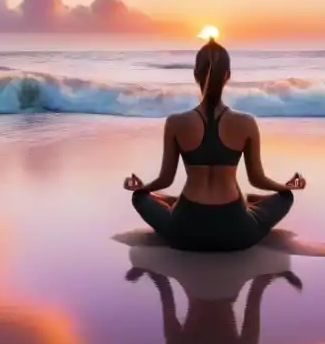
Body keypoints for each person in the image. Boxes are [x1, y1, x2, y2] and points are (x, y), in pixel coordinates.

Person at [124, 39, 307, 252]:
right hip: (237, 232)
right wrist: (287, 187)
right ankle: (253, 204)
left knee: (139, 198)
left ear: (195, 75)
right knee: (286, 197)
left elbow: (166, 179)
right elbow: (257, 179)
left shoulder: (175, 122)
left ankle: (171, 202)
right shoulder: (246, 123)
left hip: (184, 231)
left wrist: (141, 188)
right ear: (228, 76)